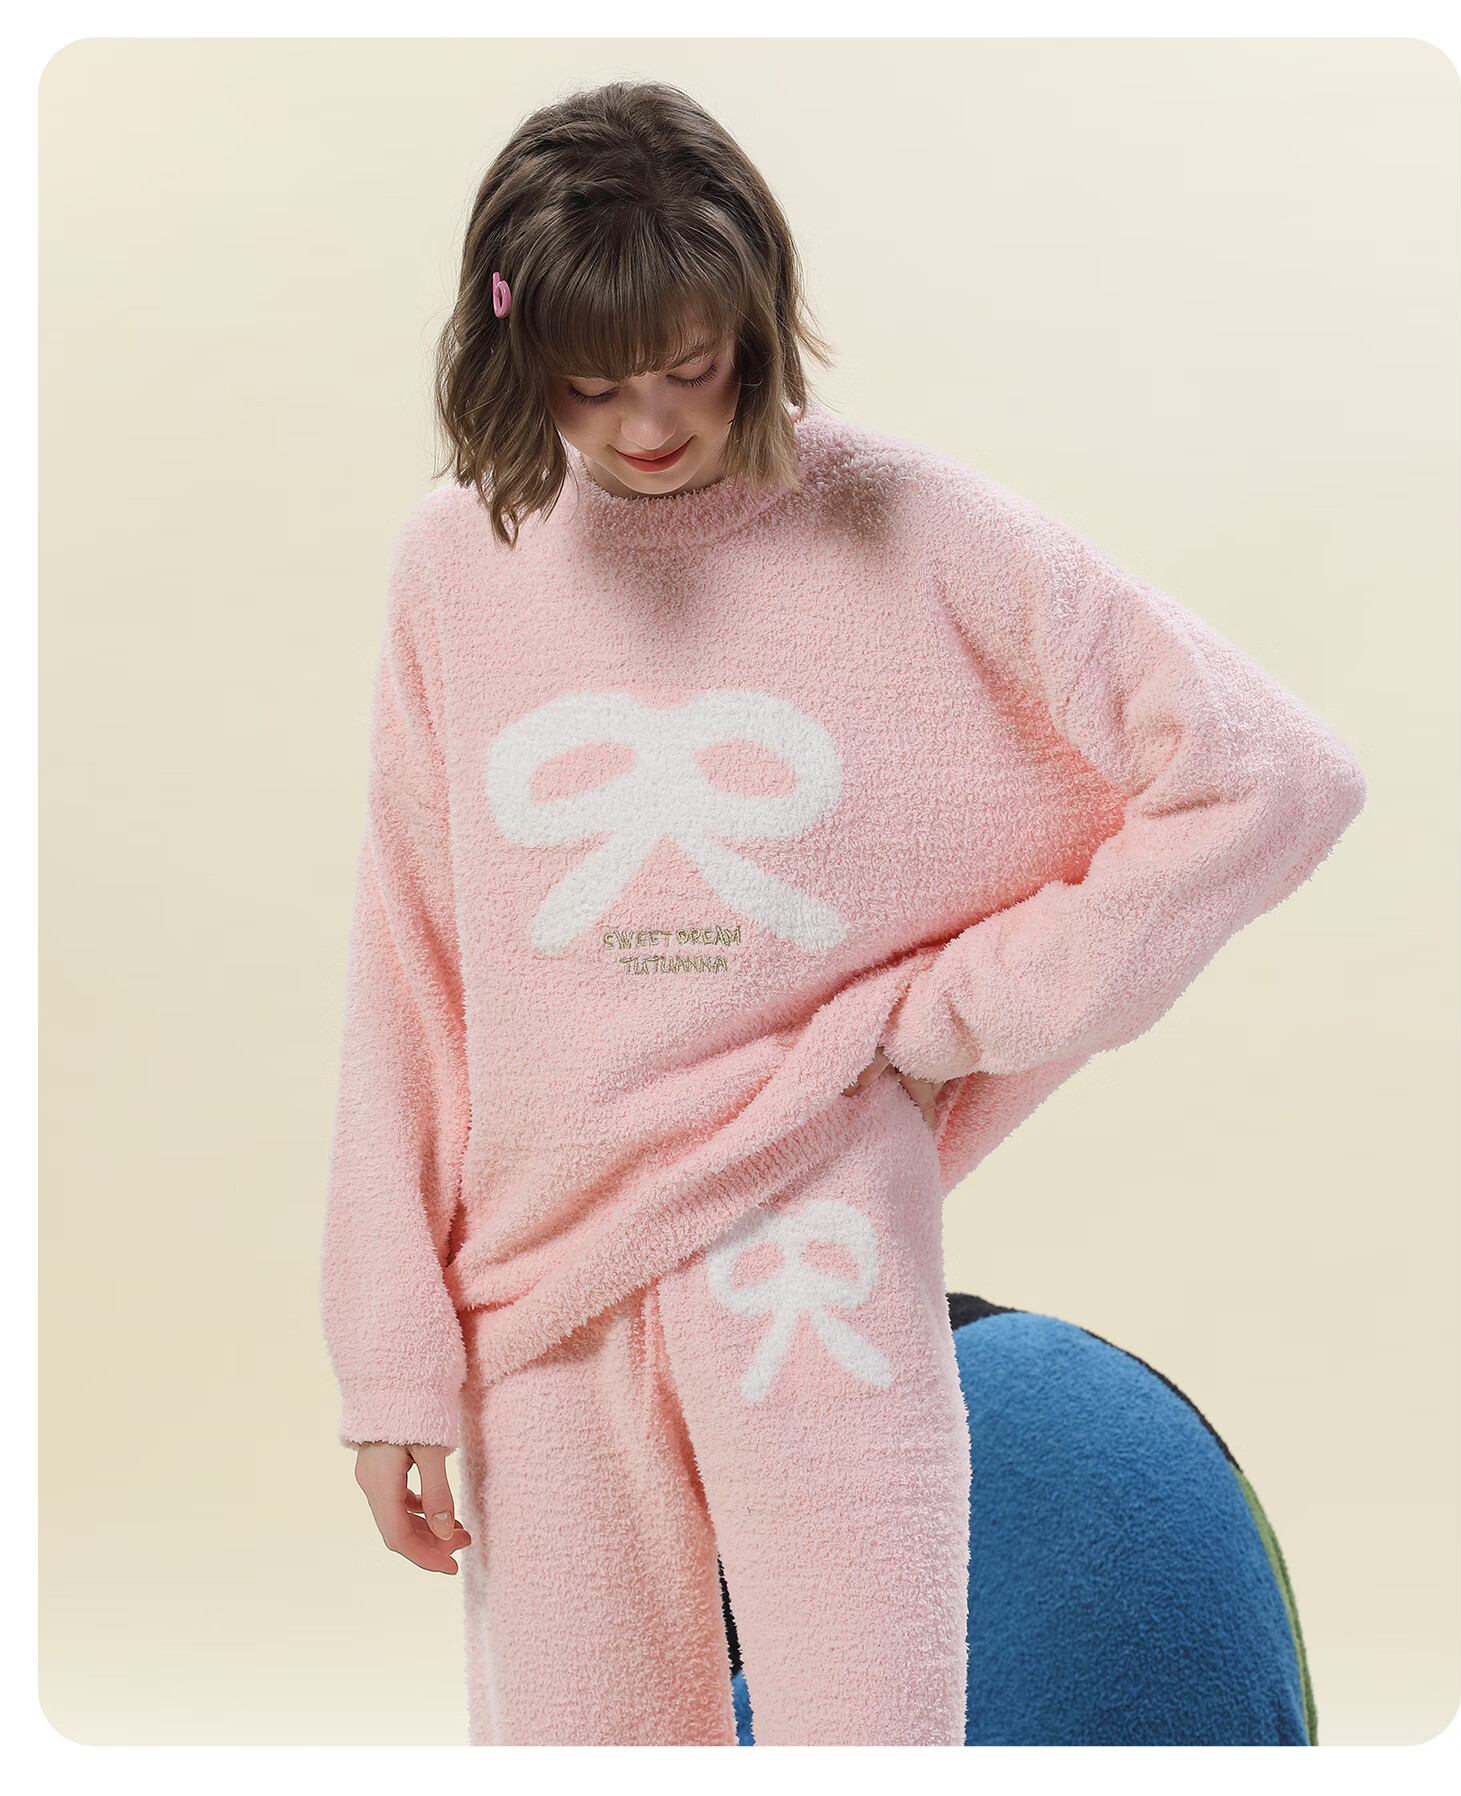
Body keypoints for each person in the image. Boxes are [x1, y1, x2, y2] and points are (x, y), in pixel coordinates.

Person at [319, 78, 1367, 1747]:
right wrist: (392, 1364)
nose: (648, 423)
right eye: (593, 381)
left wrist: (954, 1012)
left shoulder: (902, 524)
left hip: (808, 1245)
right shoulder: (458, 568)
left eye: (691, 364)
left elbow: (1267, 777)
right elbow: (412, 972)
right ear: (514, 354)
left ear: (755, 319)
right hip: (545, 1287)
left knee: (869, 1740)